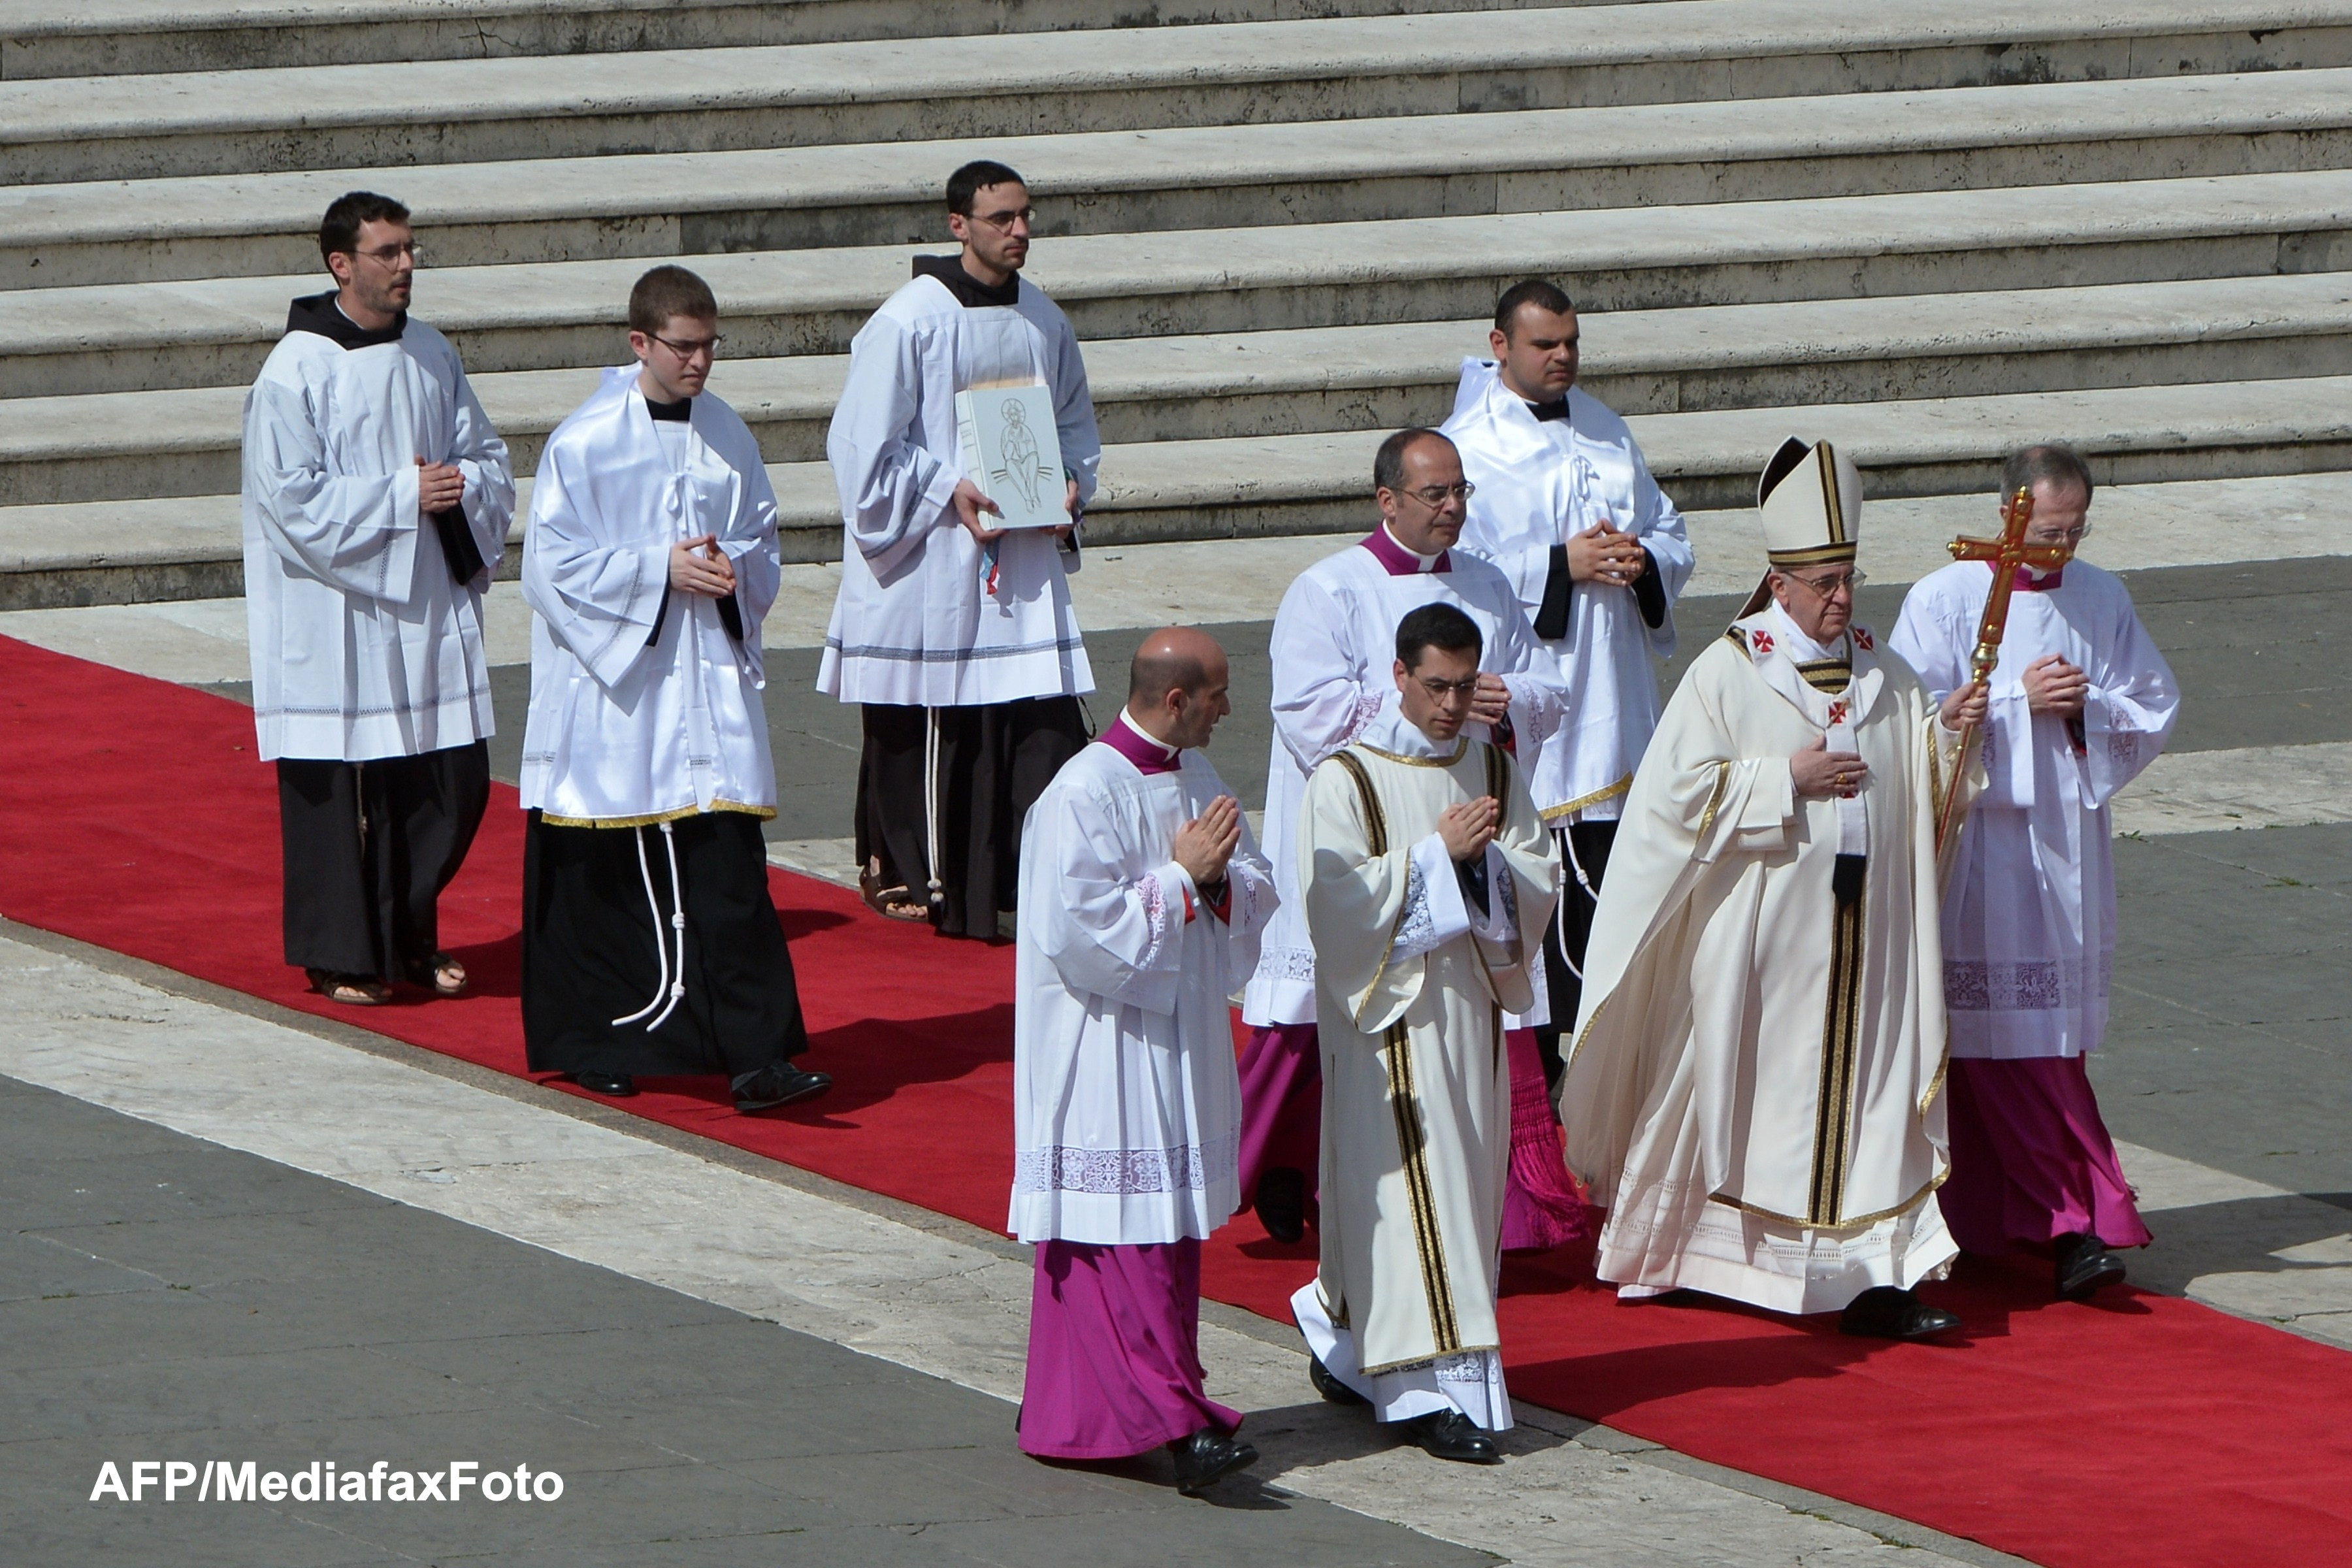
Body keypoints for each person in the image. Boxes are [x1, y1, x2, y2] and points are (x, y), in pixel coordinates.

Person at [1560, 437, 1987, 1341]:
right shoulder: (1730, 669)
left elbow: (1919, 778)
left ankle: (1873, 1276)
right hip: (1759, 935)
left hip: (1866, 931)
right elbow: (1671, 799)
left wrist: (1946, 736)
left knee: (1864, 1093)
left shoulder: (1883, 671)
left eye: (1849, 579)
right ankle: (1705, 1256)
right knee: (1742, 1089)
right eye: (1824, 582)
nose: (1841, 599)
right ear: (1778, 583)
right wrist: (1780, 780)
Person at [1238, 429, 1567, 1246]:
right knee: (1329, 1009)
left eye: (1461, 493)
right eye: (1436, 495)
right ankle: (1284, 1166)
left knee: (1467, 1015)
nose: (1454, 508)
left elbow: (1550, 690)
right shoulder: (1328, 590)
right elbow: (1310, 717)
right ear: (1387, 500)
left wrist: (1499, 696)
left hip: (1467, 811)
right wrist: (1429, 709)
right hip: (1370, 826)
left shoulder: (1487, 582)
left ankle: (1496, 1207)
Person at [517, 265, 830, 1115]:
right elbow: (550, 571)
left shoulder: (727, 431)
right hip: (622, 699)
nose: (700, 363)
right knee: (605, 878)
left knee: (731, 874)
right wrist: (658, 569)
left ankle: (757, 1055)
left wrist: (736, 570)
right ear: (640, 343)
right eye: (685, 347)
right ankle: (593, 1044)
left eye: (710, 346)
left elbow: (763, 535)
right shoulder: (585, 442)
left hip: (708, 684)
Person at [1890, 445, 2177, 1299]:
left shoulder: (2102, 596)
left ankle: (2029, 1219)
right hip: (1978, 854)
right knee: (1991, 1048)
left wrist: (2084, 703)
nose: (2062, 547)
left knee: (2049, 1039)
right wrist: (2017, 702)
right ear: (2011, 512)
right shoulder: (1944, 599)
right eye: (2049, 530)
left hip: (2064, 846)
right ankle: (2070, 1220)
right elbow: (1914, 720)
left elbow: (2152, 704)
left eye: (2076, 529)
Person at [1292, 603, 1560, 1464]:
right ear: (1400, 676)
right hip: (1388, 1026)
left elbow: (1537, 876)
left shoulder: (1493, 768)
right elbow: (1334, 906)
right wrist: (1434, 859)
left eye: (1466, 687)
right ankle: (1420, 1390)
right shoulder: (1347, 779)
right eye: (1436, 686)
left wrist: (1483, 865)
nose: (1451, 705)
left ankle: (1344, 1334)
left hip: (1469, 1017)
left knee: (1463, 1194)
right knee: (1415, 1202)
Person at [1010, 628, 1275, 1495]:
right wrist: (1181, 879)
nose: (1228, 710)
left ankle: (1081, 1416)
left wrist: (1222, 878)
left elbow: (1254, 883)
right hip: (1104, 1054)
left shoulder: (1195, 777)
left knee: (1162, 1240)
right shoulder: (1081, 794)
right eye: (1219, 695)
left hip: (1177, 1043)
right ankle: (1179, 1427)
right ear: (1175, 700)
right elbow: (1079, 934)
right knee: (1119, 1248)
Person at [240, 189, 512, 1007]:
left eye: (409, 250)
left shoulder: (431, 351)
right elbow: (288, 501)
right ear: (340, 265)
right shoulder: (294, 371)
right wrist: (402, 496)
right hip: (333, 605)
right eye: (388, 253)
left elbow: (485, 452)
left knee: (448, 778)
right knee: (334, 786)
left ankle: (405, 933)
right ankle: (340, 953)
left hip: (423, 594)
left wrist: (467, 486)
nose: (405, 266)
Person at [821, 158, 1102, 939]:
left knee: (1036, 724)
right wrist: (948, 486)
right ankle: (916, 870)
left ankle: (1020, 879)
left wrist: (1071, 486)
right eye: (1001, 219)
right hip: (934, 559)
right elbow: (860, 447)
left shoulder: (1044, 319)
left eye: (1025, 216)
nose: (1019, 232)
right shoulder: (910, 320)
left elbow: (1076, 426)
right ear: (958, 225)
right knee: (934, 725)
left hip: (1023, 559)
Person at [1440, 280, 1695, 1091]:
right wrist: (1562, 566)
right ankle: (1549, 1070)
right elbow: (1453, 568)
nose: (1563, 358)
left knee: (1623, 876)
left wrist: (1641, 559)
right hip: (1539, 697)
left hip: (1617, 691)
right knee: (1544, 887)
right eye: (1546, 344)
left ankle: (1617, 1060)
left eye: (1572, 343)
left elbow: (1668, 528)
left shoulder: (1607, 426)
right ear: (1499, 345)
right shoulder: (1467, 449)